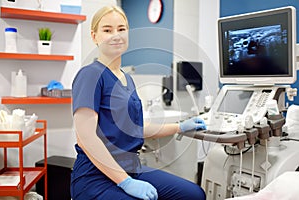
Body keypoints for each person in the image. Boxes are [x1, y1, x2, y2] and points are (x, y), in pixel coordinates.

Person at [70, 5, 206, 200]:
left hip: (132, 168)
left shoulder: (127, 79)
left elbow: (136, 128)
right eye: (107, 30)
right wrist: (125, 182)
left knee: (194, 194)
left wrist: (180, 127)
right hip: (95, 177)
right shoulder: (90, 74)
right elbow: (86, 138)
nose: (116, 35)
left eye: (121, 29)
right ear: (94, 36)